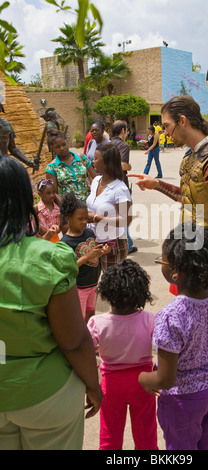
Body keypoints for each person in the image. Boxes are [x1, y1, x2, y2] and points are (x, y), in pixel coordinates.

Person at [129, 95, 208, 432]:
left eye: (168, 125)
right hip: (194, 245)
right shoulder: (192, 157)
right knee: (199, 312)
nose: (165, 132)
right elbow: (190, 199)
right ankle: (206, 371)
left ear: (183, 120)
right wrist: (158, 185)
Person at [0, 157, 102, 450]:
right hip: (46, 397)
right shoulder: (49, 257)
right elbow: (73, 340)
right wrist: (93, 386)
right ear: (23, 198)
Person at [139, 224, 208, 450]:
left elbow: (165, 379)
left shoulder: (170, 315)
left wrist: (141, 378)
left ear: (176, 271)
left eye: (162, 261)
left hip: (185, 401)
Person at [87, 259, 158, 450]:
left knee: (109, 436)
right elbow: (165, 349)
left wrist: (91, 385)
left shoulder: (97, 323)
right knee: (146, 437)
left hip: (111, 385)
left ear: (107, 293)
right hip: (144, 383)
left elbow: (85, 355)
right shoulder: (151, 320)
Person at [60, 192, 111, 323]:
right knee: (80, 317)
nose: (84, 222)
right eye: (80, 219)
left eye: (86, 218)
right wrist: (88, 256)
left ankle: (90, 337)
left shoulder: (89, 232)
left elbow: (93, 252)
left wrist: (102, 251)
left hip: (93, 283)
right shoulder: (66, 242)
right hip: (79, 287)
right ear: (68, 218)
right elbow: (70, 266)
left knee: (91, 313)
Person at [86, 142, 132, 272]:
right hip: (94, 240)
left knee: (113, 284)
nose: (93, 161)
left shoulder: (120, 189)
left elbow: (125, 220)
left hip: (112, 243)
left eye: (95, 158)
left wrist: (96, 218)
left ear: (107, 163)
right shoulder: (96, 181)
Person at [46, 131, 96, 203]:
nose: (62, 148)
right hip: (69, 210)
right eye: (57, 147)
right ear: (52, 148)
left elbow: (95, 178)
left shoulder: (82, 158)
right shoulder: (52, 168)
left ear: (67, 142)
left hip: (88, 206)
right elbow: (54, 193)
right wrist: (66, 209)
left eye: (64, 144)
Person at [111, 119, 137, 254]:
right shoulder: (123, 146)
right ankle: (127, 246)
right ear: (122, 131)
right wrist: (130, 166)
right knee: (125, 216)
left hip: (107, 185)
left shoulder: (106, 144)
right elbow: (122, 165)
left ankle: (128, 243)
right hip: (120, 185)